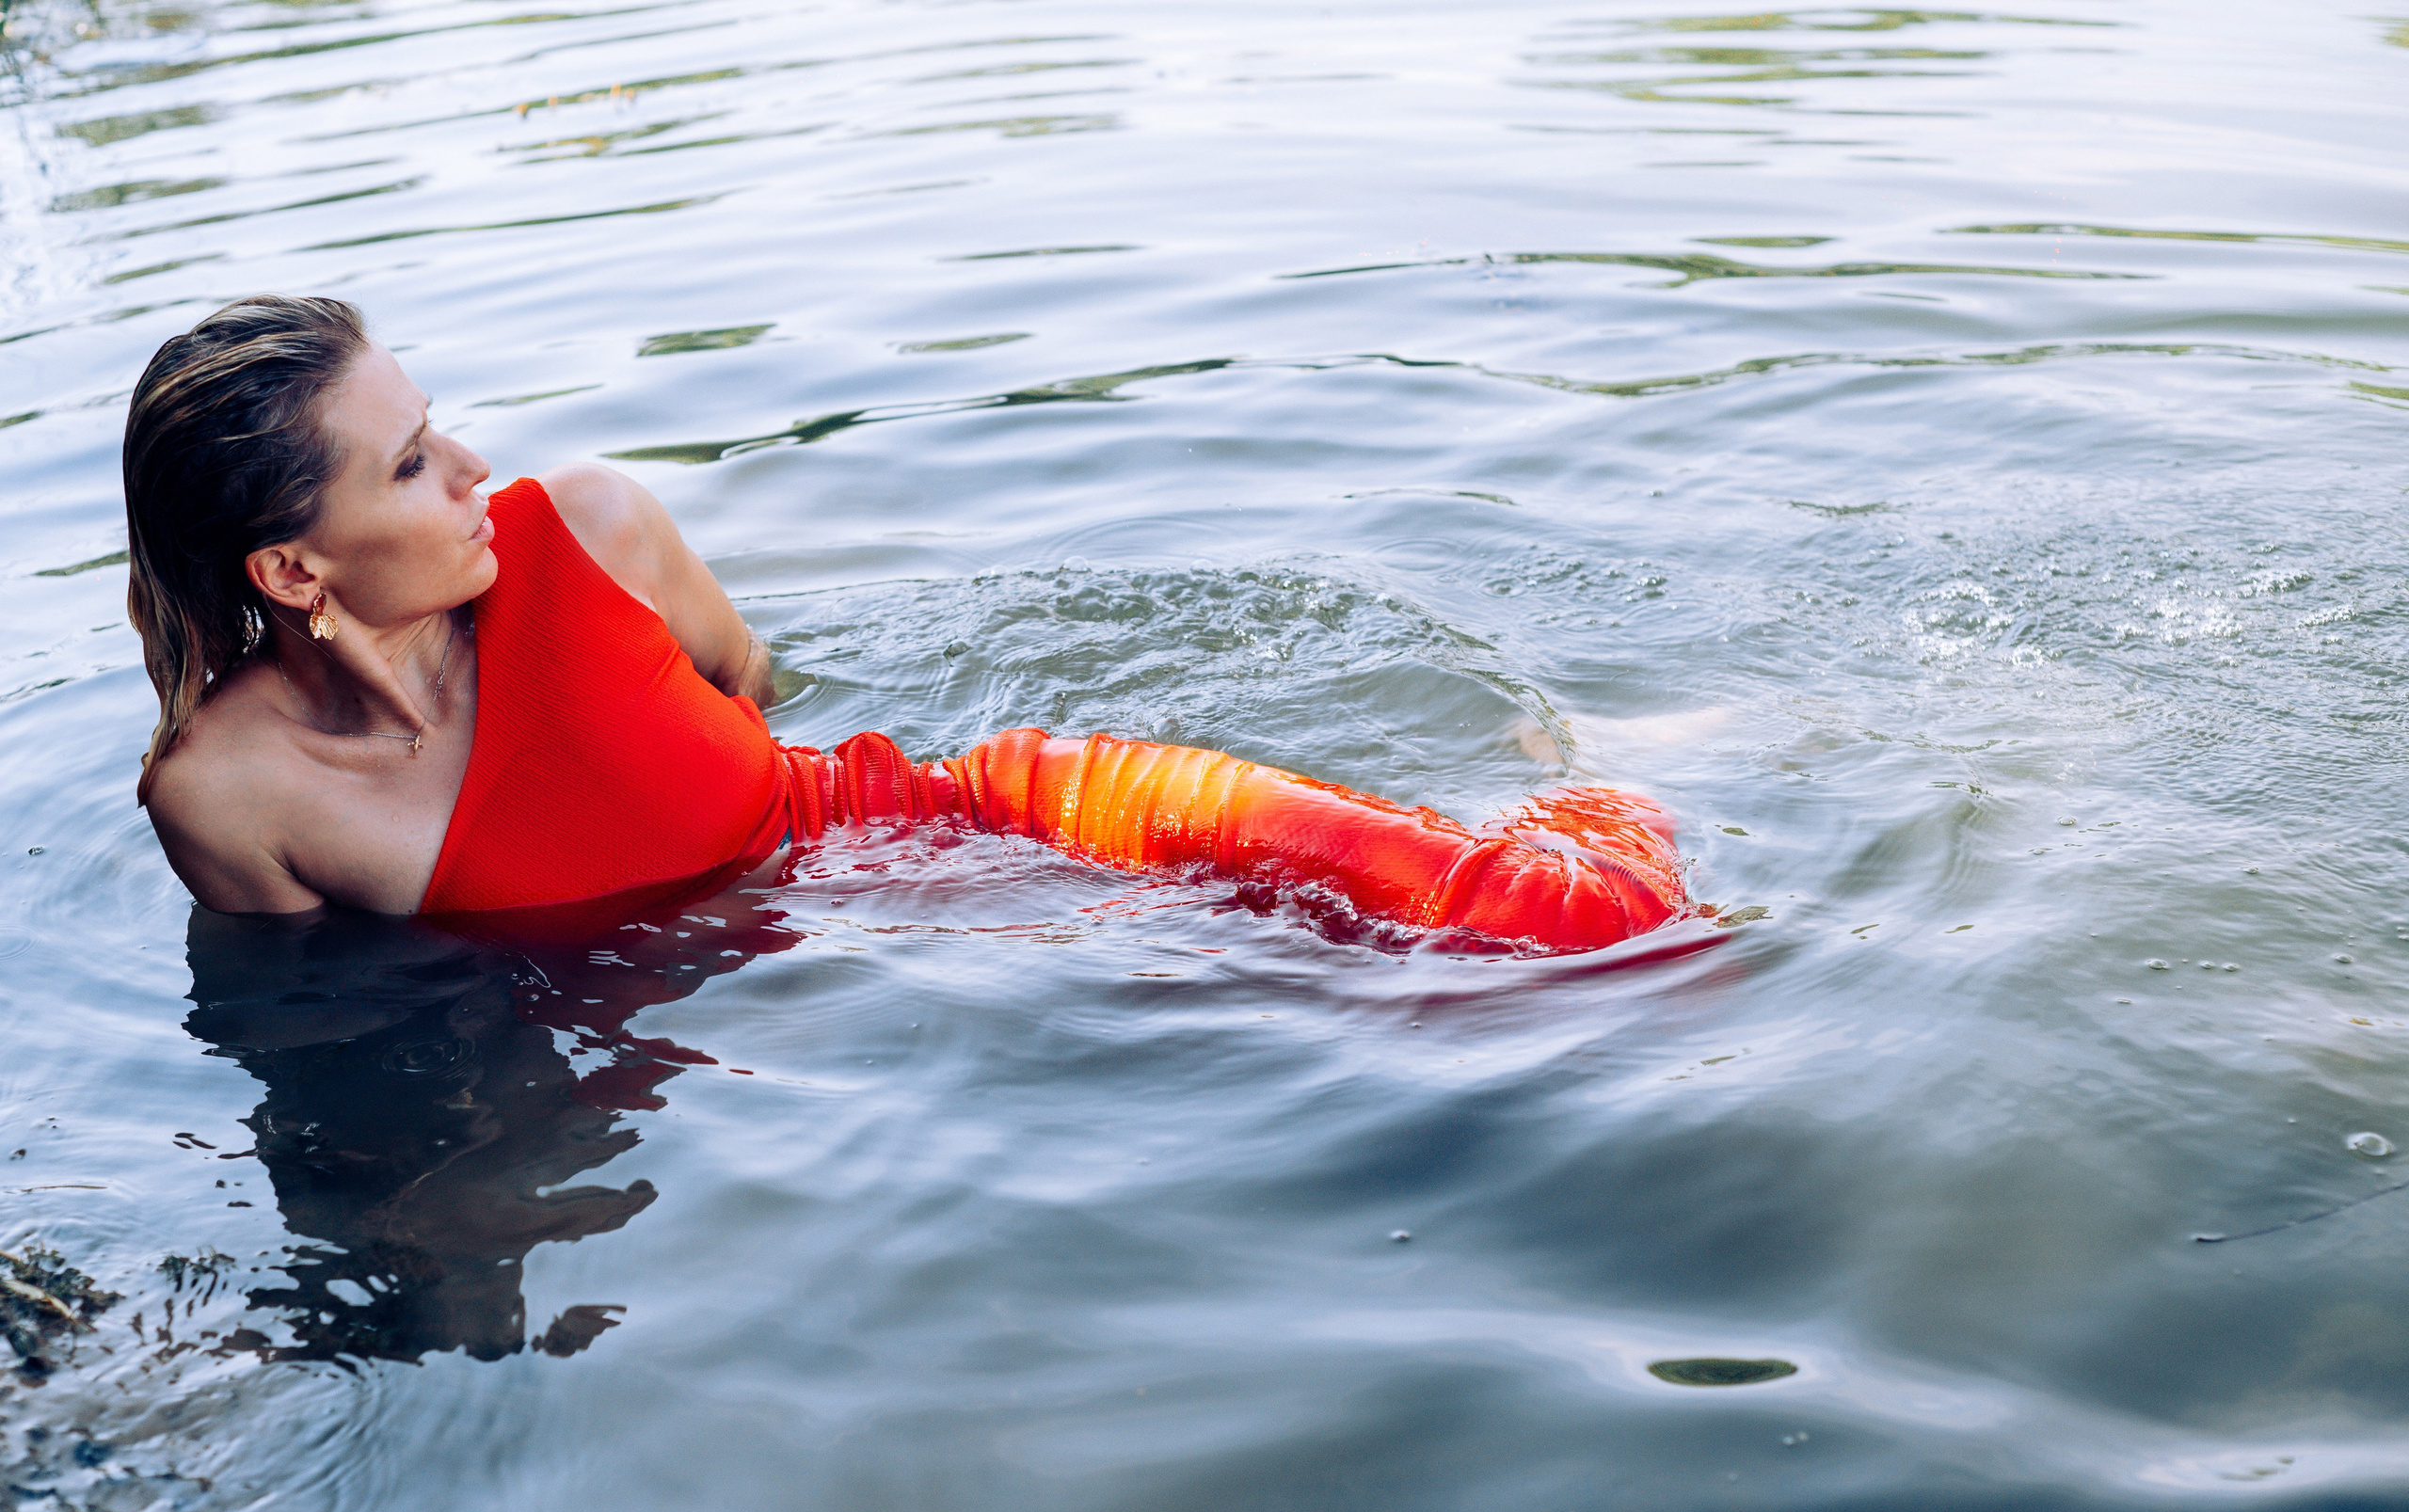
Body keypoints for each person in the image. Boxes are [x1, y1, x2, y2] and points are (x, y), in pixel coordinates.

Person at [126, 295, 1690, 950]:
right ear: (293, 575)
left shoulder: (592, 534)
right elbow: (326, 1043)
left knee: (1557, 932)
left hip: (986, 835)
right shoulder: (229, 793)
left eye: (438, 424)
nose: (475, 469)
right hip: (828, 1009)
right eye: (410, 465)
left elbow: (751, 696)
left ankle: (1639, 767)